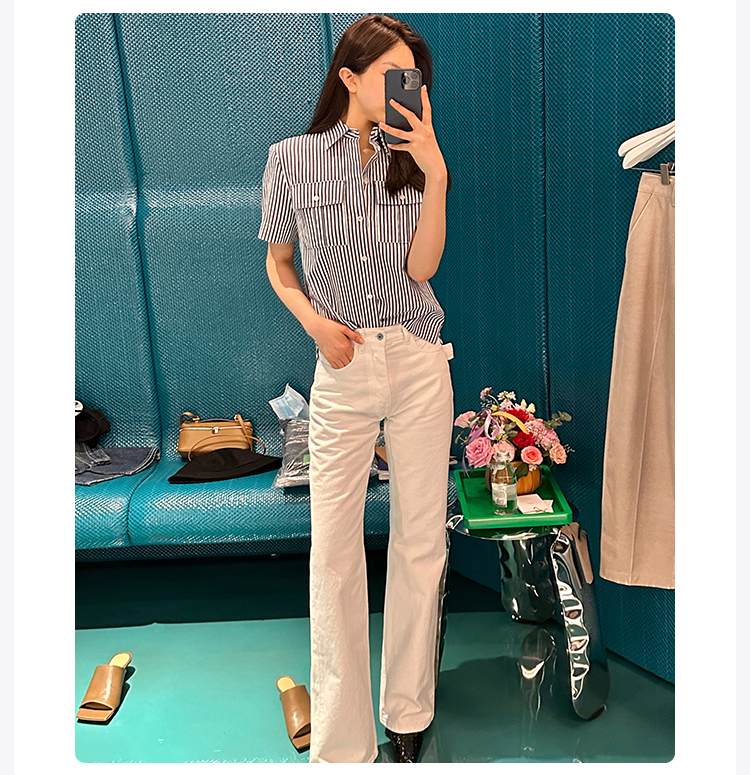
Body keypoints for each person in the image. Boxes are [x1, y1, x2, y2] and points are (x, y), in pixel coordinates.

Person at [258, 14, 454, 764]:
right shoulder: (291, 159)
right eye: (392, 74)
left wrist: (435, 172)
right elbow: (279, 264)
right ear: (348, 77)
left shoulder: (415, 158)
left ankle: (408, 711)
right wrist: (315, 324)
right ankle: (342, 743)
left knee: (420, 540)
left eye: (415, 77)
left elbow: (422, 269)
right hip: (341, 365)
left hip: (417, 358)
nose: (408, 88)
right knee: (334, 548)